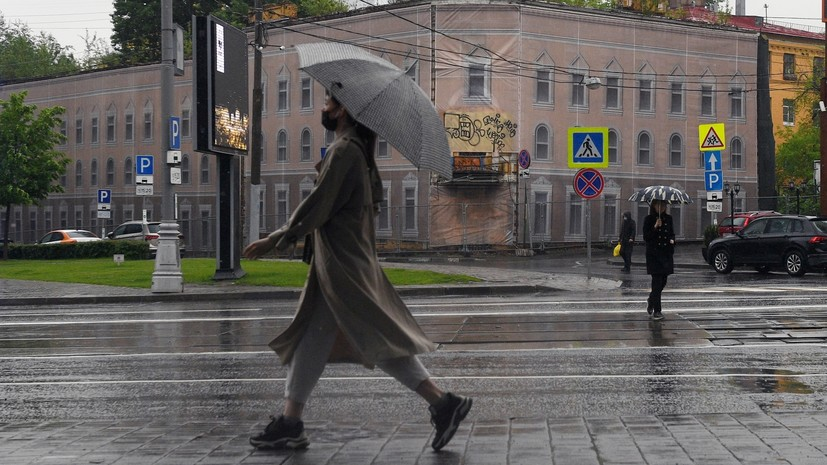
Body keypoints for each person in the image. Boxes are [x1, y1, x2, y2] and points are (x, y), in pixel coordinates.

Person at [242, 93, 472, 452]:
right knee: (316, 339)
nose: (323, 107)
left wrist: (276, 239)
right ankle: (291, 422)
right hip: (341, 262)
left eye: (329, 102)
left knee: (374, 337)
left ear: (345, 109)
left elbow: (318, 205)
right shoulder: (357, 152)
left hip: (342, 267)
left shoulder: (345, 150)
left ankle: (443, 402)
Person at [642, 199, 675, 320]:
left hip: (666, 254)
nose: (661, 207)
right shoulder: (649, 219)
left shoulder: (669, 218)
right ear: (654, 206)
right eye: (659, 205)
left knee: (663, 282)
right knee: (656, 283)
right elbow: (646, 237)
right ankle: (657, 311)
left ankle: (651, 300)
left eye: (664, 205)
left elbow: (672, 233)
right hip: (654, 255)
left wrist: (672, 241)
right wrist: (655, 227)